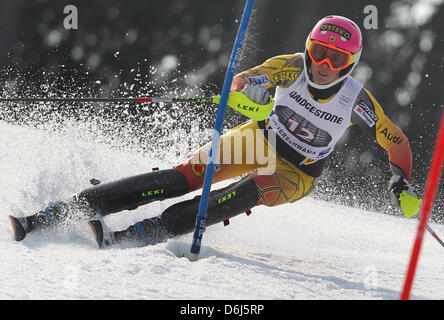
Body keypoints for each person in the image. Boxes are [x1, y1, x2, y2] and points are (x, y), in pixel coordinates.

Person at [9, 15, 421, 248]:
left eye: (337, 59)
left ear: (350, 64)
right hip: (262, 137)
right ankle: (63, 212)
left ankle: (142, 233)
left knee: (244, 191)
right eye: (319, 53)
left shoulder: (356, 100)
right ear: (309, 48)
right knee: (179, 178)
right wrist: (244, 95)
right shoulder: (292, 67)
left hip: (296, 174)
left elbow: (395, 140)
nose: (324, 66)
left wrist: (400, 178)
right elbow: (244, 80)